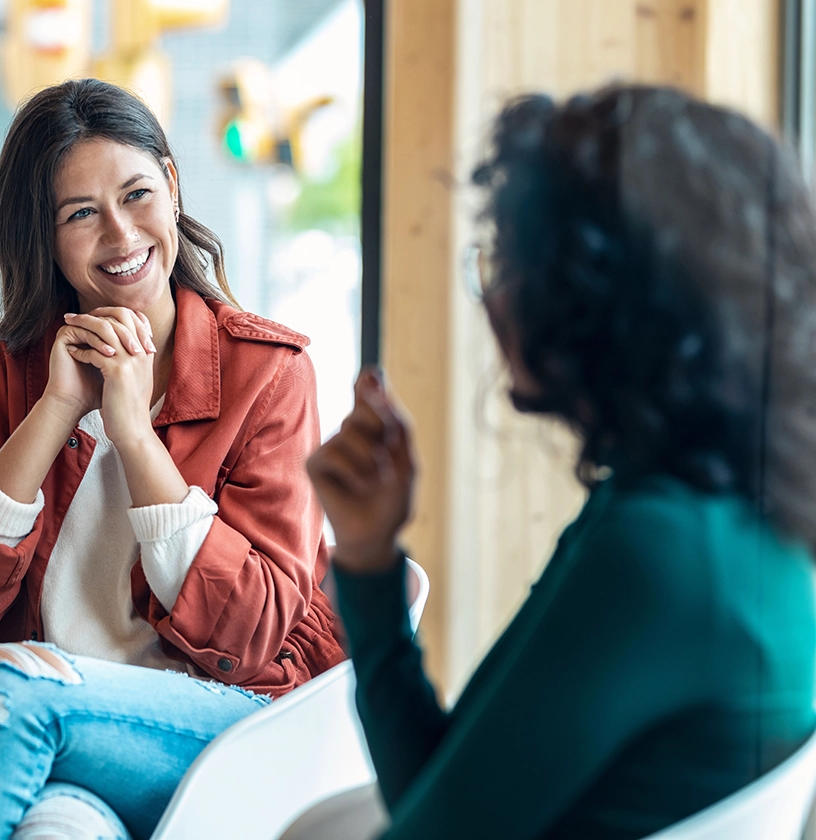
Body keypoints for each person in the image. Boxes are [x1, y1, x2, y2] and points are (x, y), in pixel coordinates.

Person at [307, 85, 816, 839]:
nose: (491, 298)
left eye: (507, 262)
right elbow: (433, 793)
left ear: (592, 301)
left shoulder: (659, 554)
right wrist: (369, 557)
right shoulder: (716, 516)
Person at [0, 78, 345, 840]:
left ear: (171, 185)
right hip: (64, 739)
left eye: (137, 195)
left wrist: (135, 437)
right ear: (43, 235)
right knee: (61, 828)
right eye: (80, 214)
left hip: (221, 723)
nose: (121, 235)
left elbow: (252, 635)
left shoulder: (267, 373)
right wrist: (57, 409)